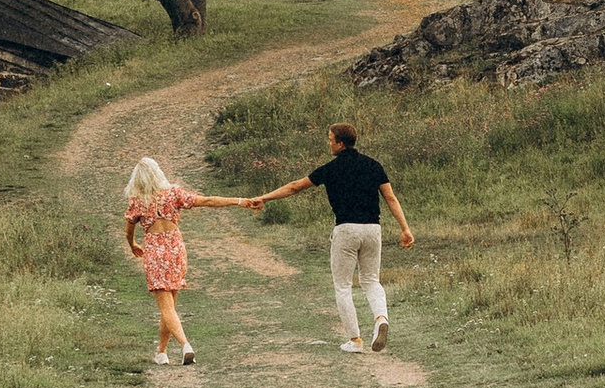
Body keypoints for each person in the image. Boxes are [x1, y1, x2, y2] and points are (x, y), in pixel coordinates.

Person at [246, 121, 415, 352]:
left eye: (330, 139)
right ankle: (380, 319)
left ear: (340, 143)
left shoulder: (330, 168)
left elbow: (295, 187)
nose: (329, 143)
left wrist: (264, 197)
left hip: (346, 230)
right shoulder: (374, 165)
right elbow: (391, 198)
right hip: (373, 230)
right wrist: (405, 228)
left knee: (343, 286)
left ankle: (355, 340)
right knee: (371, 280)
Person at [120, 155, 243, 365]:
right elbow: (206, 201)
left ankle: (186, 345)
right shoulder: (174, 193)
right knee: (170, 307)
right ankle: (161, 352)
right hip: (176, 249)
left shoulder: (138, 201)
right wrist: (239, 201)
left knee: (166, 307)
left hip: (156, 251)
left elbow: (129, 229)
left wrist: (132, 245)